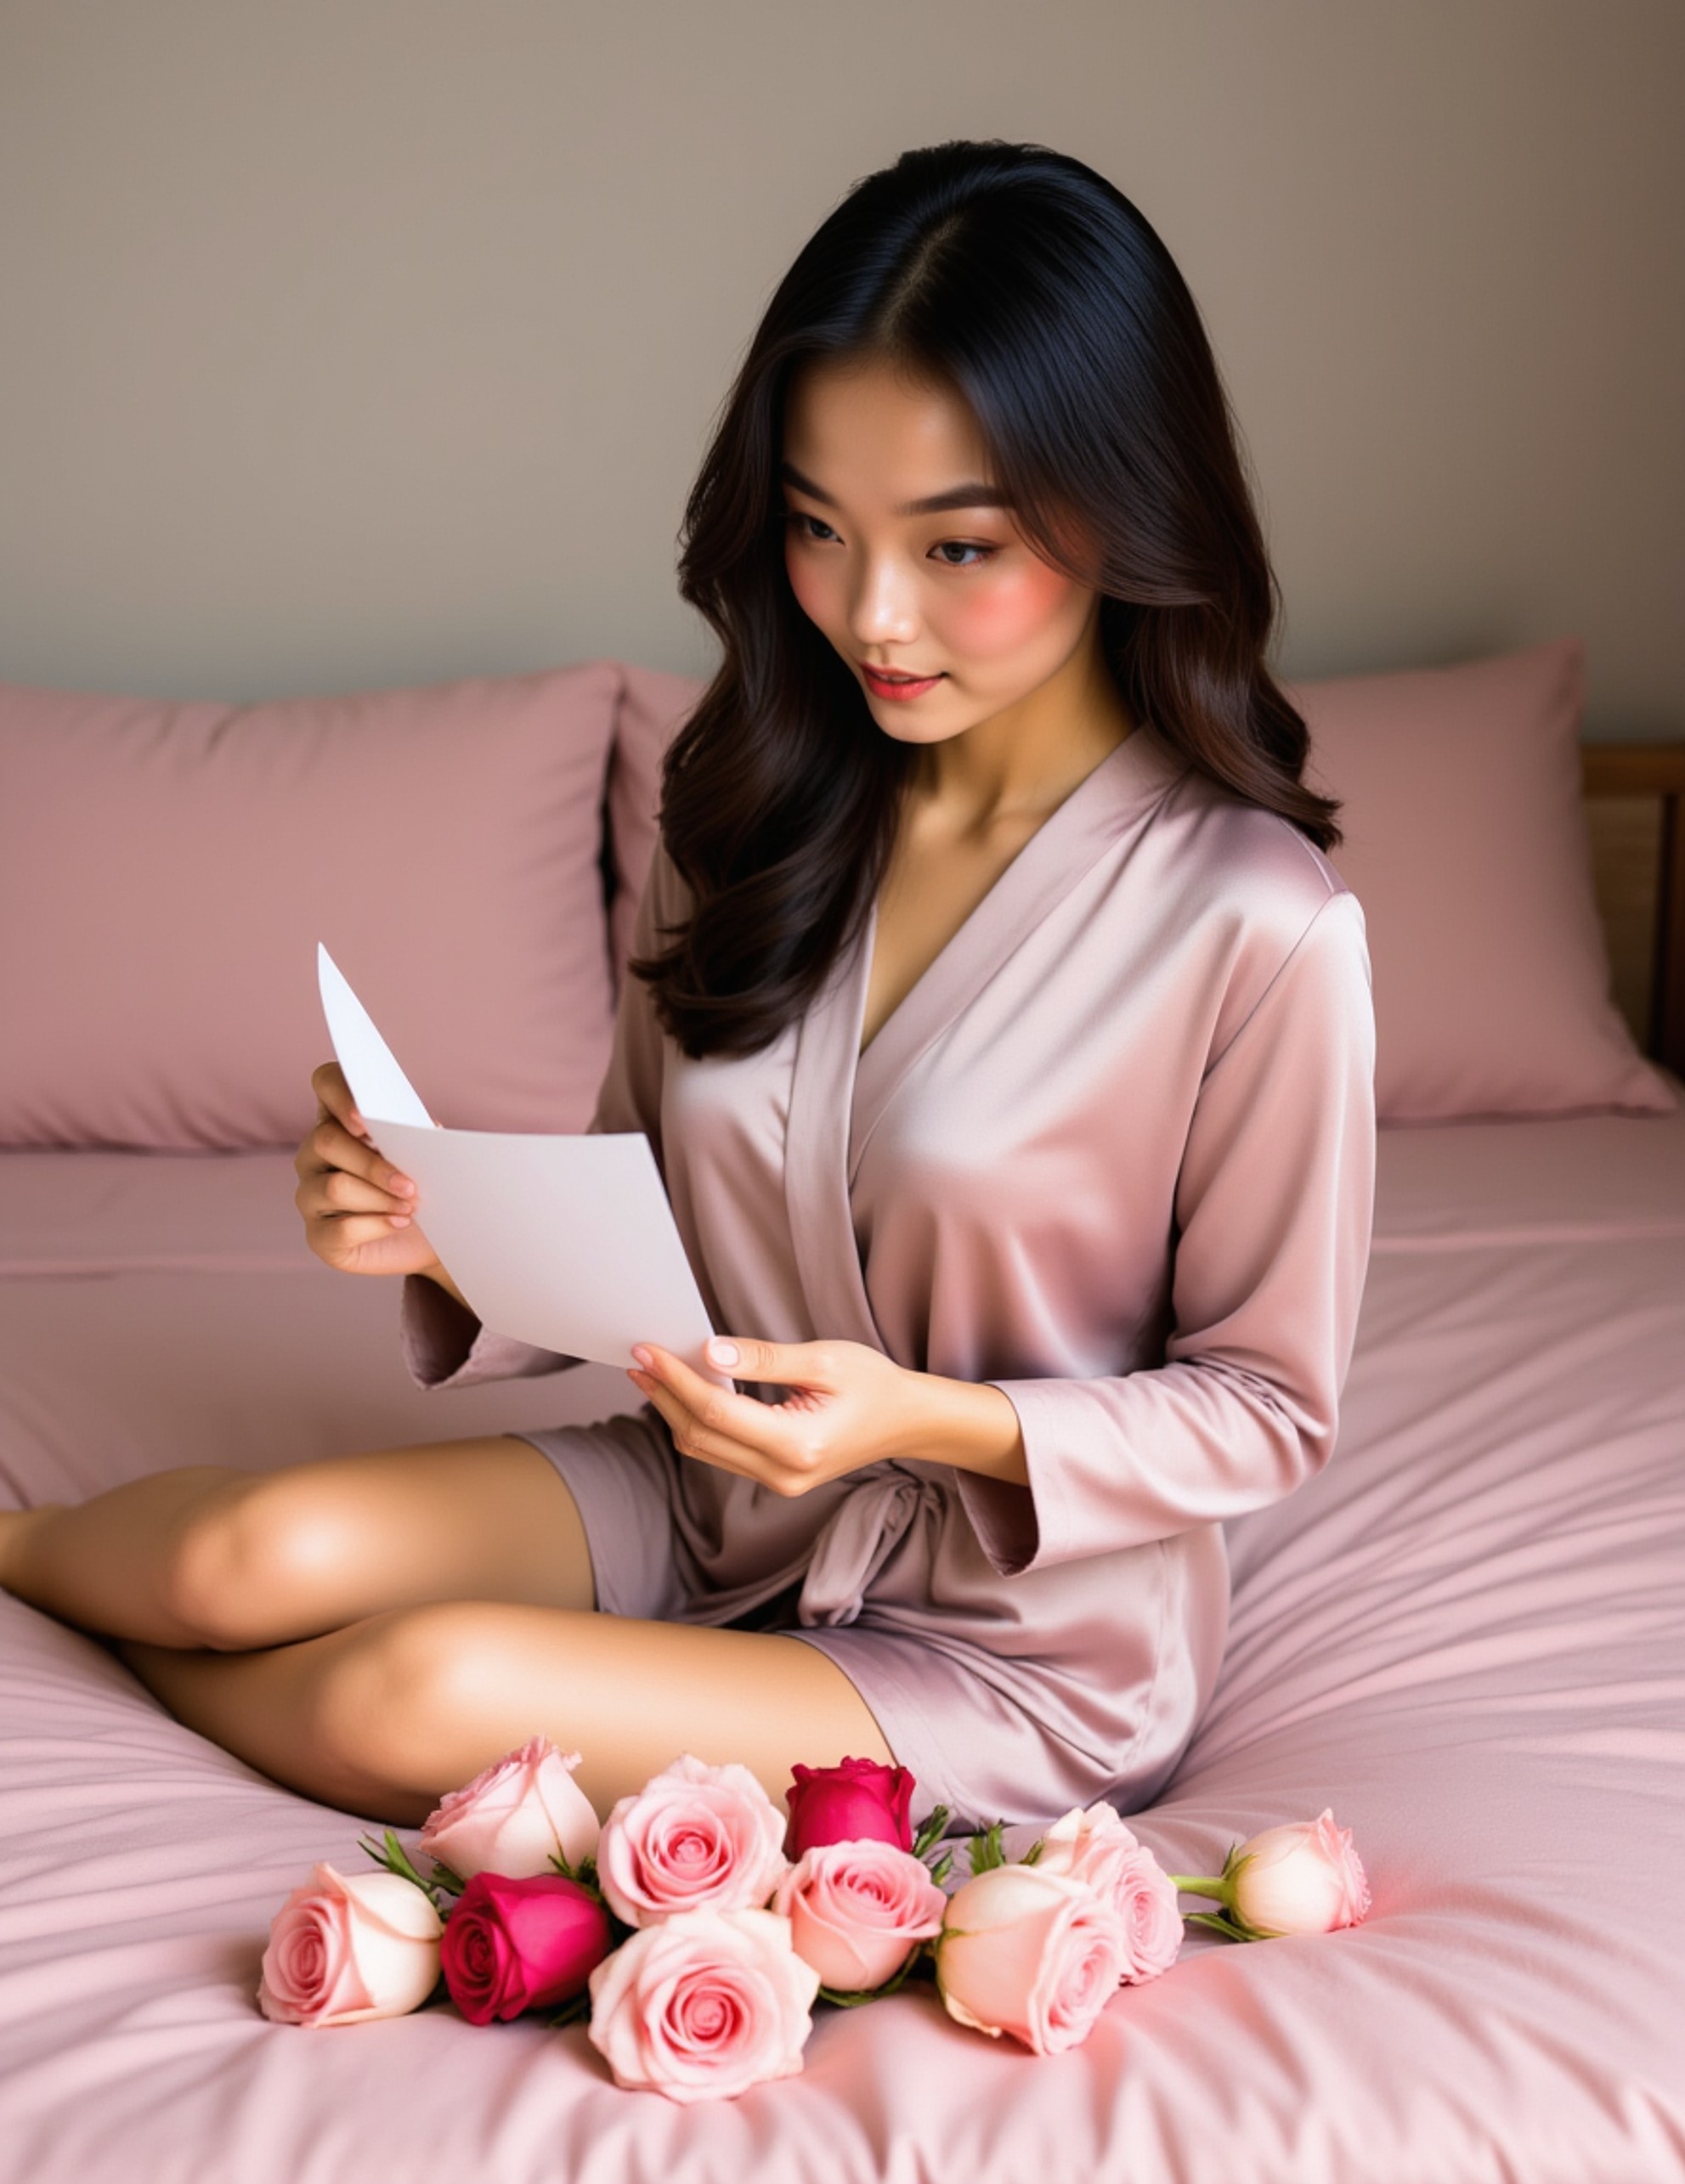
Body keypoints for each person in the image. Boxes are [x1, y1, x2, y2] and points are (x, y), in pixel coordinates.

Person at [0, 140, 1375, 1836]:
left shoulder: (1253, 920)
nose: (870, 613)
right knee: (237, 1554)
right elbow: (649, 1220)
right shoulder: (754, 807)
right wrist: (443, 1225)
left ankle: (152, 1672)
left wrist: (924, 1415)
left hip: (1012, 1638)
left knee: (411, 1684)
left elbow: (1267, 1405)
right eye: (816, 526)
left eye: (957, 547)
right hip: (711, 1493)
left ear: (1126, 506)